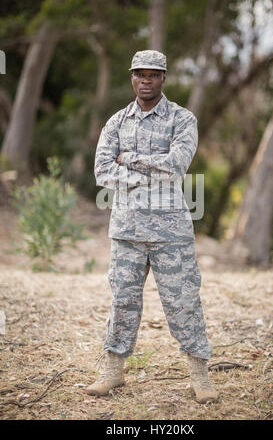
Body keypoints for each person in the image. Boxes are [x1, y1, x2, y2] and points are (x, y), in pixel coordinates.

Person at [87, 50, 218, 404]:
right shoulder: (116, 122)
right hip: (126, 232)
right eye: (139, 74)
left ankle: (199, 375)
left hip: (170, 232)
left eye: (153, 74)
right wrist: (148, 173)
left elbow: (176, 166)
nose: (146, 80)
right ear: (132, 78)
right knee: (122, 301)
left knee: (184, 301)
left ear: (163, 78)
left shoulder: (182, 119)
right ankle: (113, 372)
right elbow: (102, 171)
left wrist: (128, 160)